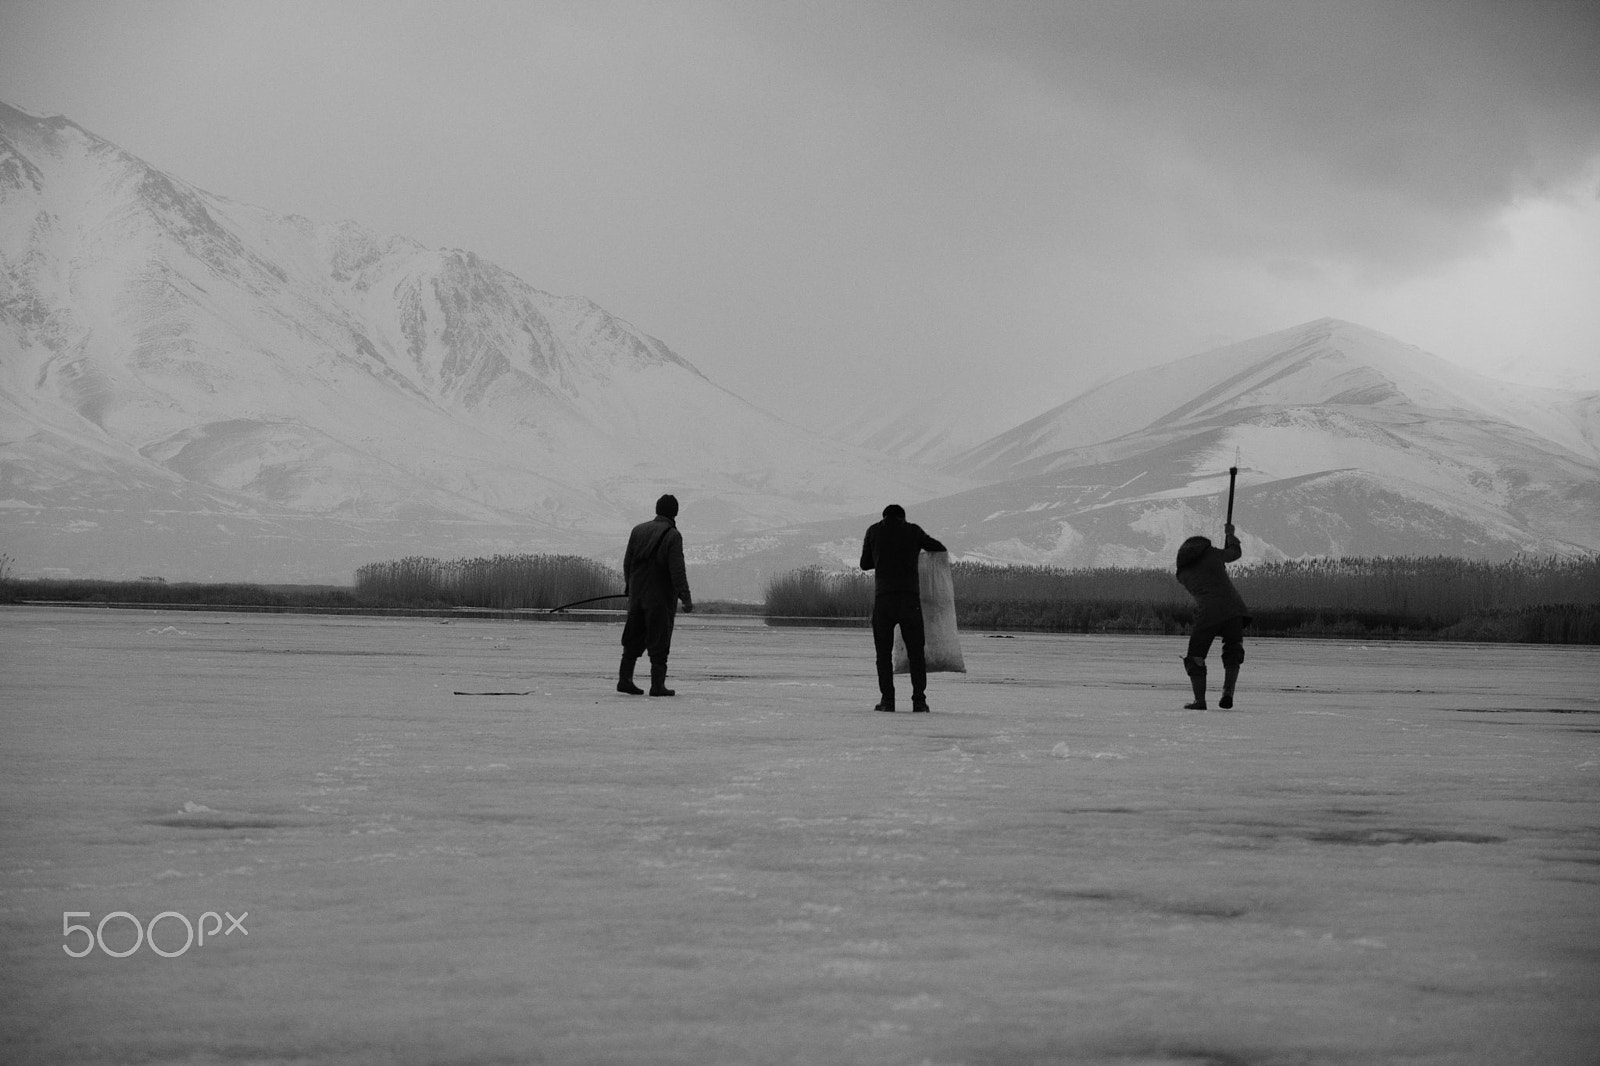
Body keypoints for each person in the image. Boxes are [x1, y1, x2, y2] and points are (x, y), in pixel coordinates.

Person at [860, 504, 947, 713]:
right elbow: (939, 548)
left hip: (884, 601)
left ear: (884, 517)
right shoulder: (913, 530)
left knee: (883, 654)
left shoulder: (873, 531)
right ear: (903, 517)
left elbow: (865, 563)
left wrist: (882, 559)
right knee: (916, 653)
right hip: (909, 601)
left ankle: (887, 701)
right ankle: (919, 701)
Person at [618, 494, 693, 697]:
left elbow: (628, 563)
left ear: (657, 509)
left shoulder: (638, 530)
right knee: (659, 640)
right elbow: (677, 571)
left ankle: (625, 680)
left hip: (637, 595)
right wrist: (685, 598)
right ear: (675, 512)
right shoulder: (673, 536)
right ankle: (657, 686)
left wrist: (630, 586)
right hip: (659, 598)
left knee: (633, 637)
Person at [1175, 523, 1250, 709]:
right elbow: (1235, 553)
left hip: (1208, 613)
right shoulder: (1213, 554)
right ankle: (1227, 692)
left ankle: (1200, 701)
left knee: (1196, 656)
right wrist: (1231, 535)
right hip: (1234, 609)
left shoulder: (1183, 574)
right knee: (1233, 649)